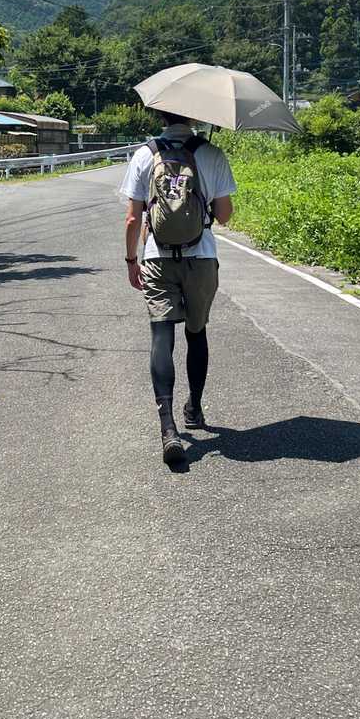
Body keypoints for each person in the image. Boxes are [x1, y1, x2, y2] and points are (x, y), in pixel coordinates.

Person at [120, 111, 237, 465]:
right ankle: (194, 408)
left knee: (161, 335)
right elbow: (225, 214)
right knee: (196, 333)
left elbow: (133, 218)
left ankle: (168, 428)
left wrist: (131, 260)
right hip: (201, 257)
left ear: (160, 113)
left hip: (157, 257)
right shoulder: (211, 154)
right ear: (193, 114)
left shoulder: (145, 154)